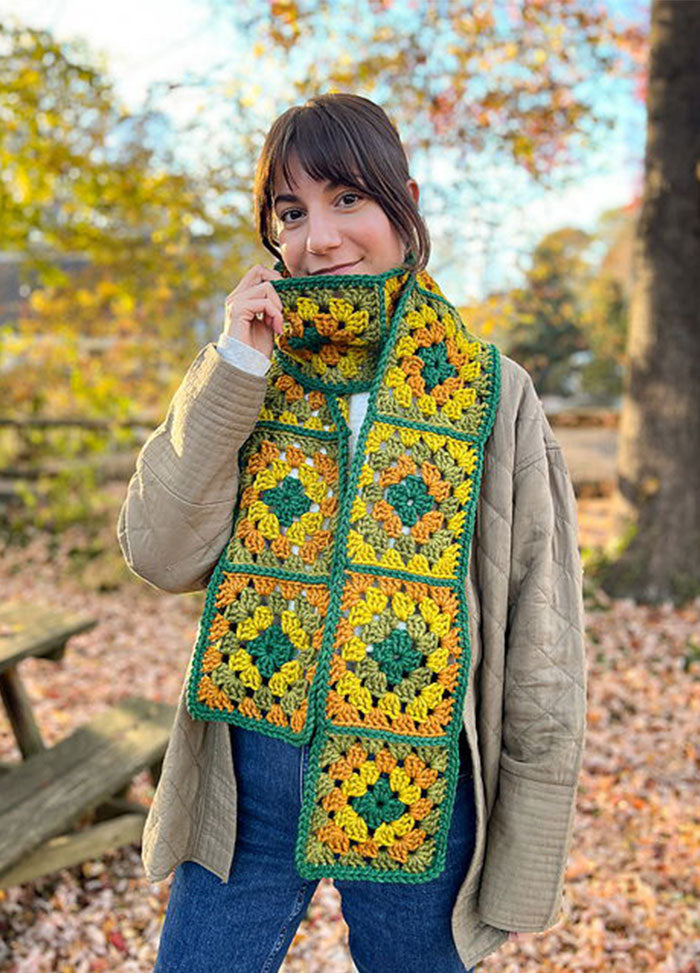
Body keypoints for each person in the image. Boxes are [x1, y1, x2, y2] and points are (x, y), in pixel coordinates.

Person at [118, 93, 587, 973]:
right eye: (291, 213)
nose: (320, 239)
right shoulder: (247, 368)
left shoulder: (495, 392)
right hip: (246, 796)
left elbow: (544, 640)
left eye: (347, 200)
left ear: (404, 205)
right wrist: (235, 367)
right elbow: (158, 551)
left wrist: (526, 844)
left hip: (419, 799)